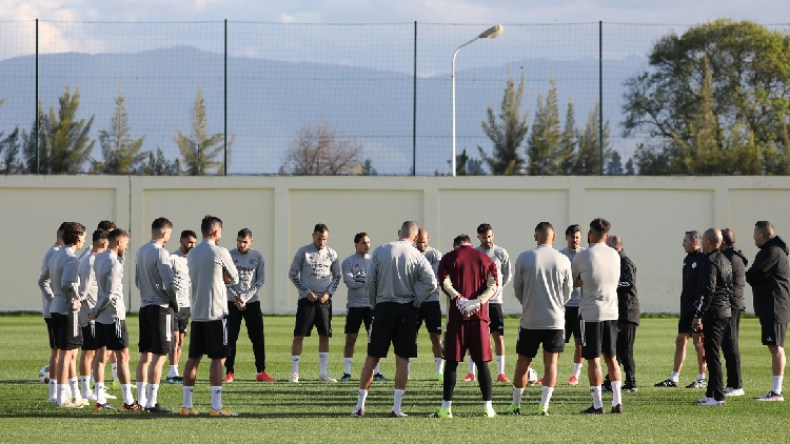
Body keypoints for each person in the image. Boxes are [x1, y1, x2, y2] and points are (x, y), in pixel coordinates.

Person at [351, 221, 437, 418]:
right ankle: (396, 408)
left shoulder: (380, 250)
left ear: (399, 232)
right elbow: (431, 282)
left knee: (372, 357)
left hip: (383, 307)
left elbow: (370, 281)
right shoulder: (417, 254)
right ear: (415, 237)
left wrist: (374, 303)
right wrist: (416, 299)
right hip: (407, 309)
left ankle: (359, 406)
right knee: (402, 359)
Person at [505, 223, 571, 416]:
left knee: (522, 363)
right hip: (555, 320)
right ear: (554, 237)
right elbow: (568, 291)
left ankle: (516, 405)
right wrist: (557, 304)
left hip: (530, 319)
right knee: (551, 364)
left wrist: (527, 303)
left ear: (536, 236)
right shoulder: (563, 259)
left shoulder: (524, 257)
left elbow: (517, 288)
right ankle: (543, 406)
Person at [431, 234, 499, 418]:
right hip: (479, 318)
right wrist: (478, 302)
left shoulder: (448, 258)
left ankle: (446, 408)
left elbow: (444, 281)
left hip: (457, 318)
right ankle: (488, 408)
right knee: (482, 363)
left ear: (455, 245)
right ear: (470, 243)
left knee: (451, 363)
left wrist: (459, 298)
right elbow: (493, 285)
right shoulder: (485, 258)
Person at [180, 215, 240, 417]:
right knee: (218, 359)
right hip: (216, 313)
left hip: (197, 313)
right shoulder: (220, 251)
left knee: (193, 359)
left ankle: (186, 406)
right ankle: (216, 407)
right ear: (215, 231)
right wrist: (224, 277)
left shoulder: (192, 254)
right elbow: (234, 277)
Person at [572, 218, 623, 414]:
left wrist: (579, 281)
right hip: (612, 312)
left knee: (593, 359)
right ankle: (617, 402)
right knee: (611, 357)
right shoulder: (615, 255)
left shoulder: (583, 255)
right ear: (607, 236)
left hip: (591, 313)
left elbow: (572, 279)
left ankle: (597, 404)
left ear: (590, 233)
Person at [91, 229, 140, 412]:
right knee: (122, 357)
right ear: (119, 242)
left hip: (102, 317)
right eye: (126, 244)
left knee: (100, 357)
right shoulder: (114, 263)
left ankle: (100, 399)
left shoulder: (99, 258)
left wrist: (96, 311)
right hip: (113, 315)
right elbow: (110, 294)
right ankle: (129, 401)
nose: (126, 247)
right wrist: (96, 310)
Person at [135, 217, 178, 413]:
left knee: (145, 355)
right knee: (160, 356)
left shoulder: (141, 251)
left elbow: (137, 280)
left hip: (145, 307)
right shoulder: (161, 252)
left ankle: (141, 400)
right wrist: (174, 302)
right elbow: (170, 284)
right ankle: (151, 402)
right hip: (161, 308)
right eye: (169, 233)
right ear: (164, 232)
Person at [655, 230, 708, 389]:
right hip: (686, 308)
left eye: (685, 241)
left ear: (694, 242)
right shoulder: (687, 259)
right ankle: (674, 378)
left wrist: (700, 309)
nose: (682, 244)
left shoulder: (703, 259)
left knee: (699, 343)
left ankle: (702, 378)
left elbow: (705, 286)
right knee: (680, 340)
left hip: (697, 309)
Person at [289, 223, 341, 383]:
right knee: (299, 335)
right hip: (306, 300)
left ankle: (323, 373)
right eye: (319, 238)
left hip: (324, 301)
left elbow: (337, 276)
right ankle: (294, 372)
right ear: (313, 236)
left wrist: (328, 293)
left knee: (324, 335)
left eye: (324, 239)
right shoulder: (303, 252)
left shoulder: (332, 254)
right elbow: (292, 274)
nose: (321, 242)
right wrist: (306, 291)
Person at [745, 220, 790, 402]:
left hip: (775, 306)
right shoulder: (772, 250)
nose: (753, 237)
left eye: (755, 234)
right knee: (775, 347)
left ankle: (776, 392)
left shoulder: (772, 252)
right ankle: (775, 391)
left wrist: (750, 275)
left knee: (776, 347)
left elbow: (753, 275)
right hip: (774, 306)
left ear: (762, 235)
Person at [225, 228, 276, 383]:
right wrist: (237, 297)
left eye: (245, 242)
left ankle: (261, 372)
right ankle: (229, 372)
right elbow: (225, 279)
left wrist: (245, 298)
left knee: (257, 337)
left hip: (252, 302)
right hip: (232, 302)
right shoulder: (228, 255)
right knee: (230, 338)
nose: (242, 244)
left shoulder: (257, 256)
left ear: (251, 242)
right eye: (239, 241)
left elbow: (260, 280)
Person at [465, 223, 512, 383]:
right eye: (484, 237)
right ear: (479, 237)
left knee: (498, 336)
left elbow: (507, 274)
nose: (488, 239)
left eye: (490, 236)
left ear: (493, 235)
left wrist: (497, 289)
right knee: (474, 337)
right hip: (479, 301)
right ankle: (471, 373)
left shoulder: (501, 253)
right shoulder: (474, 253)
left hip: (495, 301)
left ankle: (501, 373)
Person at [48, 222, 87, 408]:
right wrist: (75, 301)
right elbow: (67, 283)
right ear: (77, 238)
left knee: (68, 353)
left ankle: (73, 394)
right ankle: (62, 398)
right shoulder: (72, 258)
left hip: (55, 307)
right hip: (66, 309)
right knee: (67, 354)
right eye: (83, 236)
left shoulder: (56, 255)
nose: (84, 240)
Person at [693, 228, 733, 406]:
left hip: (714, 312)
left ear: (709, 242)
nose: (701, 242)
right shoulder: (724, 259)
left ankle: (718, 397)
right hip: (725, 310)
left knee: (712, 354)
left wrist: (698, 314)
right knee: (712, 352)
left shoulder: (710, 261)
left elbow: (708, 290)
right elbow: (729, 287)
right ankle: (710, 394)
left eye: (703, 239)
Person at [340, 232, 386, 382]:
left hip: (372, 306)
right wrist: (368, 281)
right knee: (351, 338)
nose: (367, 245)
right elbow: (350, 283)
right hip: (354, 306)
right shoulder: (348, 262)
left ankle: (377, 372)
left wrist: (361, 280)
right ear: (356, 245)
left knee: (374, 339)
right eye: (363, 243)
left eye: (368, 242)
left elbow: (380, 282)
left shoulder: (374, 261)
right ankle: (347, 373)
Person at [76, 229, 109, 402]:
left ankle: (95, 388)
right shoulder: (90, 261)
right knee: (89, 352)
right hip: (90, 313)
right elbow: (83, 290)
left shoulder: (92, 259)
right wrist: (87, 307)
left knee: (96, 352)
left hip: (94, 312)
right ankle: (85, 389)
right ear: (103, 243)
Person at [604, 235, 640, 393]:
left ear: (616, 247)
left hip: (628, 312)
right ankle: (609, 381)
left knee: (626, 350)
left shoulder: (625, 262)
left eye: (608, 247)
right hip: (618, 312)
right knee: (616, 349)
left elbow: (628, 283)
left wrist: (608, 283)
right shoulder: (615, 262)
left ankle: (631, 383)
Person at [38, 222, 67, 403]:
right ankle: (54, 393)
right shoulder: (55, 253)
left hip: (56, 309)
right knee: (58, 351)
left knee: (62, 350)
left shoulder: (58, 252)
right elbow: (44, 281)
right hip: (54, 311)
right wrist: (54, 300)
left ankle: (59, 390)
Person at [414, 228, 445, 381]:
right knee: (410, 337)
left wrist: (419, 275)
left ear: (428, 239)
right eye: (419, 242)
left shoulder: (435, 254)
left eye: (423, 242)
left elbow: (434, 277)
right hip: (414, 302)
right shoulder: (410, 253)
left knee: (435, 336)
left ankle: (440, 371)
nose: (421, 245)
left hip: (431, 301)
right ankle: (406, 370)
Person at [720, 228, 748, 397]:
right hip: (729, 304)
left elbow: (728, 284)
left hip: (731, 305)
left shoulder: (731, 258)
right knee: (727, 343)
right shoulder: (729, 256)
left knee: (731, 343)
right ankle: (731, 384)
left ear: (723, 241)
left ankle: (737, 385)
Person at [167, 229, 197, 384]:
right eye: (189, 242)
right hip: (172, 304)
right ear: (181, 241)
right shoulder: (172, 258)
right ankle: (172, 371)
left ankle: (175, 370)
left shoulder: (193, 260)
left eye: (194, 243)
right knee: (174, 338)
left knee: (181, 341)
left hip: (186, 305)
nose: (192, 245)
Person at [559, 224, 586, 385]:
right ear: (566, 237)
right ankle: (550, 373)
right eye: (572, 237)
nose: (574, 240)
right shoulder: (560, 255)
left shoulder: (586, 255)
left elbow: (595, 276)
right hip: (563, 306)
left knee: (579, 342)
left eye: (577, 237)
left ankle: (575, 375)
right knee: (557, 342)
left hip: (581, 306)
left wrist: (585, 282)